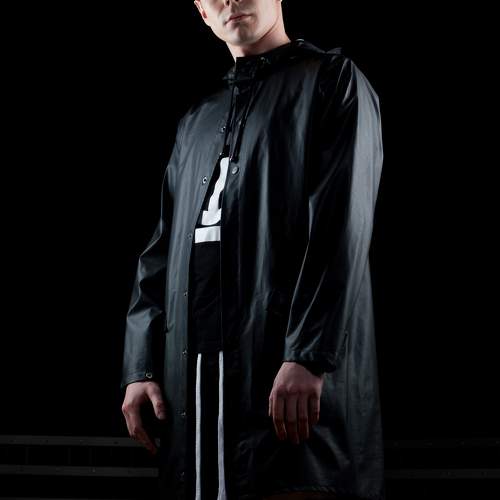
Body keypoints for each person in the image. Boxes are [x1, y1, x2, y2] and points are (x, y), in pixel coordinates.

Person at [120, 1, 385, 499]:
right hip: (195, 392)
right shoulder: (197, 120)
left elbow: (341, 227)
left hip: (287, 377)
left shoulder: (331, 81)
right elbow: (159, 254)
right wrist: (142, 367)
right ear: (202, 14)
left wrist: (307, 354)